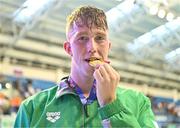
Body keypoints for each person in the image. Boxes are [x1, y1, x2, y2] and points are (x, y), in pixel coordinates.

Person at [14, 6, 156, 127]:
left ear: (108, 46)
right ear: (68, 48)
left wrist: (111, 106)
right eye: (82, 38)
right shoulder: (32, 108)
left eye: (99, 38)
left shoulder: (139, 102)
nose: (92, 47)